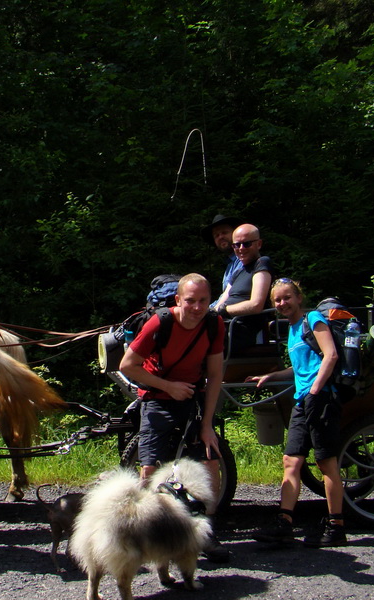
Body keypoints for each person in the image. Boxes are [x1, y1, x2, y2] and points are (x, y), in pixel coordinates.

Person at [119, 273, 230, 563]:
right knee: (149, 471)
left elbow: (216, 373)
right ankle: (147, 536)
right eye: (190, 301)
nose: (197, 307)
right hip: (158, 398)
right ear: (178, 300)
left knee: (209, 461)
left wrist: (207, 425)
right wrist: (169, 387)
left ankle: (205, 534)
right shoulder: (161, 322)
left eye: (203, 301)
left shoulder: (213, 323)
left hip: (192, 397)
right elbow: (128, 365)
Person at [246, 278, 348, 548]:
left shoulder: (313, 319)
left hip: (321, 398)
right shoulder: (292, 329)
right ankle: (284, 524)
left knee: (327, 464)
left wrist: (315, 389)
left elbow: (331, 355)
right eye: (278, 300)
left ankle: (336, 526)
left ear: (299, 297)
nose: (282, 303)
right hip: (302, 401)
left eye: (287, 297)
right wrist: (270, 376)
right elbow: (300, 369)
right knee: (291, 462)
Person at [212, 223, 274, 354]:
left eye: (246, 244)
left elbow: (256, 304)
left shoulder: (261, 263)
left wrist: (223, 310)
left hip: (240, 328)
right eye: (236, 245)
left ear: (259, 244)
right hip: (225, 324)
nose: (241, 248)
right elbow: (223, 299)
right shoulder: (238, 271)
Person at [200, 213, 245, 296]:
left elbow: (232, 294)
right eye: (216, 235)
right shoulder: (230, 264)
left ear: (235, 233)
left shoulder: (242, 259)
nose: (220, 237)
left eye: (224, 232)